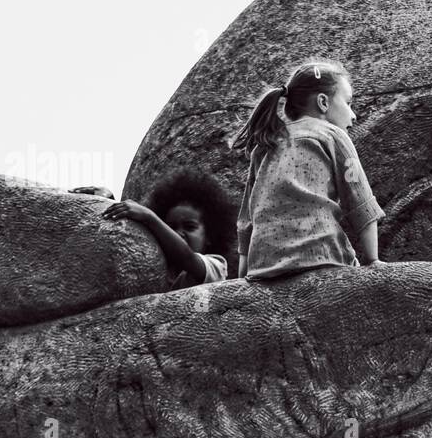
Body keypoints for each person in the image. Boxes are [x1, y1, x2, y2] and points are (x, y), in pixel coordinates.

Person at [231, 60, 384, 283]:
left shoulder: (264, 147)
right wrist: (373, 260)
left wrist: (243, 276)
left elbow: (246, 219)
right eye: (348, 103)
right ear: (323, 102)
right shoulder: (333, 135)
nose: (353, 115)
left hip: (263, 266)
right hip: (321, 256)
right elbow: (360, 200)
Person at [102, 169, 235, 287]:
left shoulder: (216, 266)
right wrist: (107, 203)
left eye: (189, 227)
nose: (178, 233)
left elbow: (187, 258)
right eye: (171, 227)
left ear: (209, 236)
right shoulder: (158, 268)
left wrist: (149, 217)